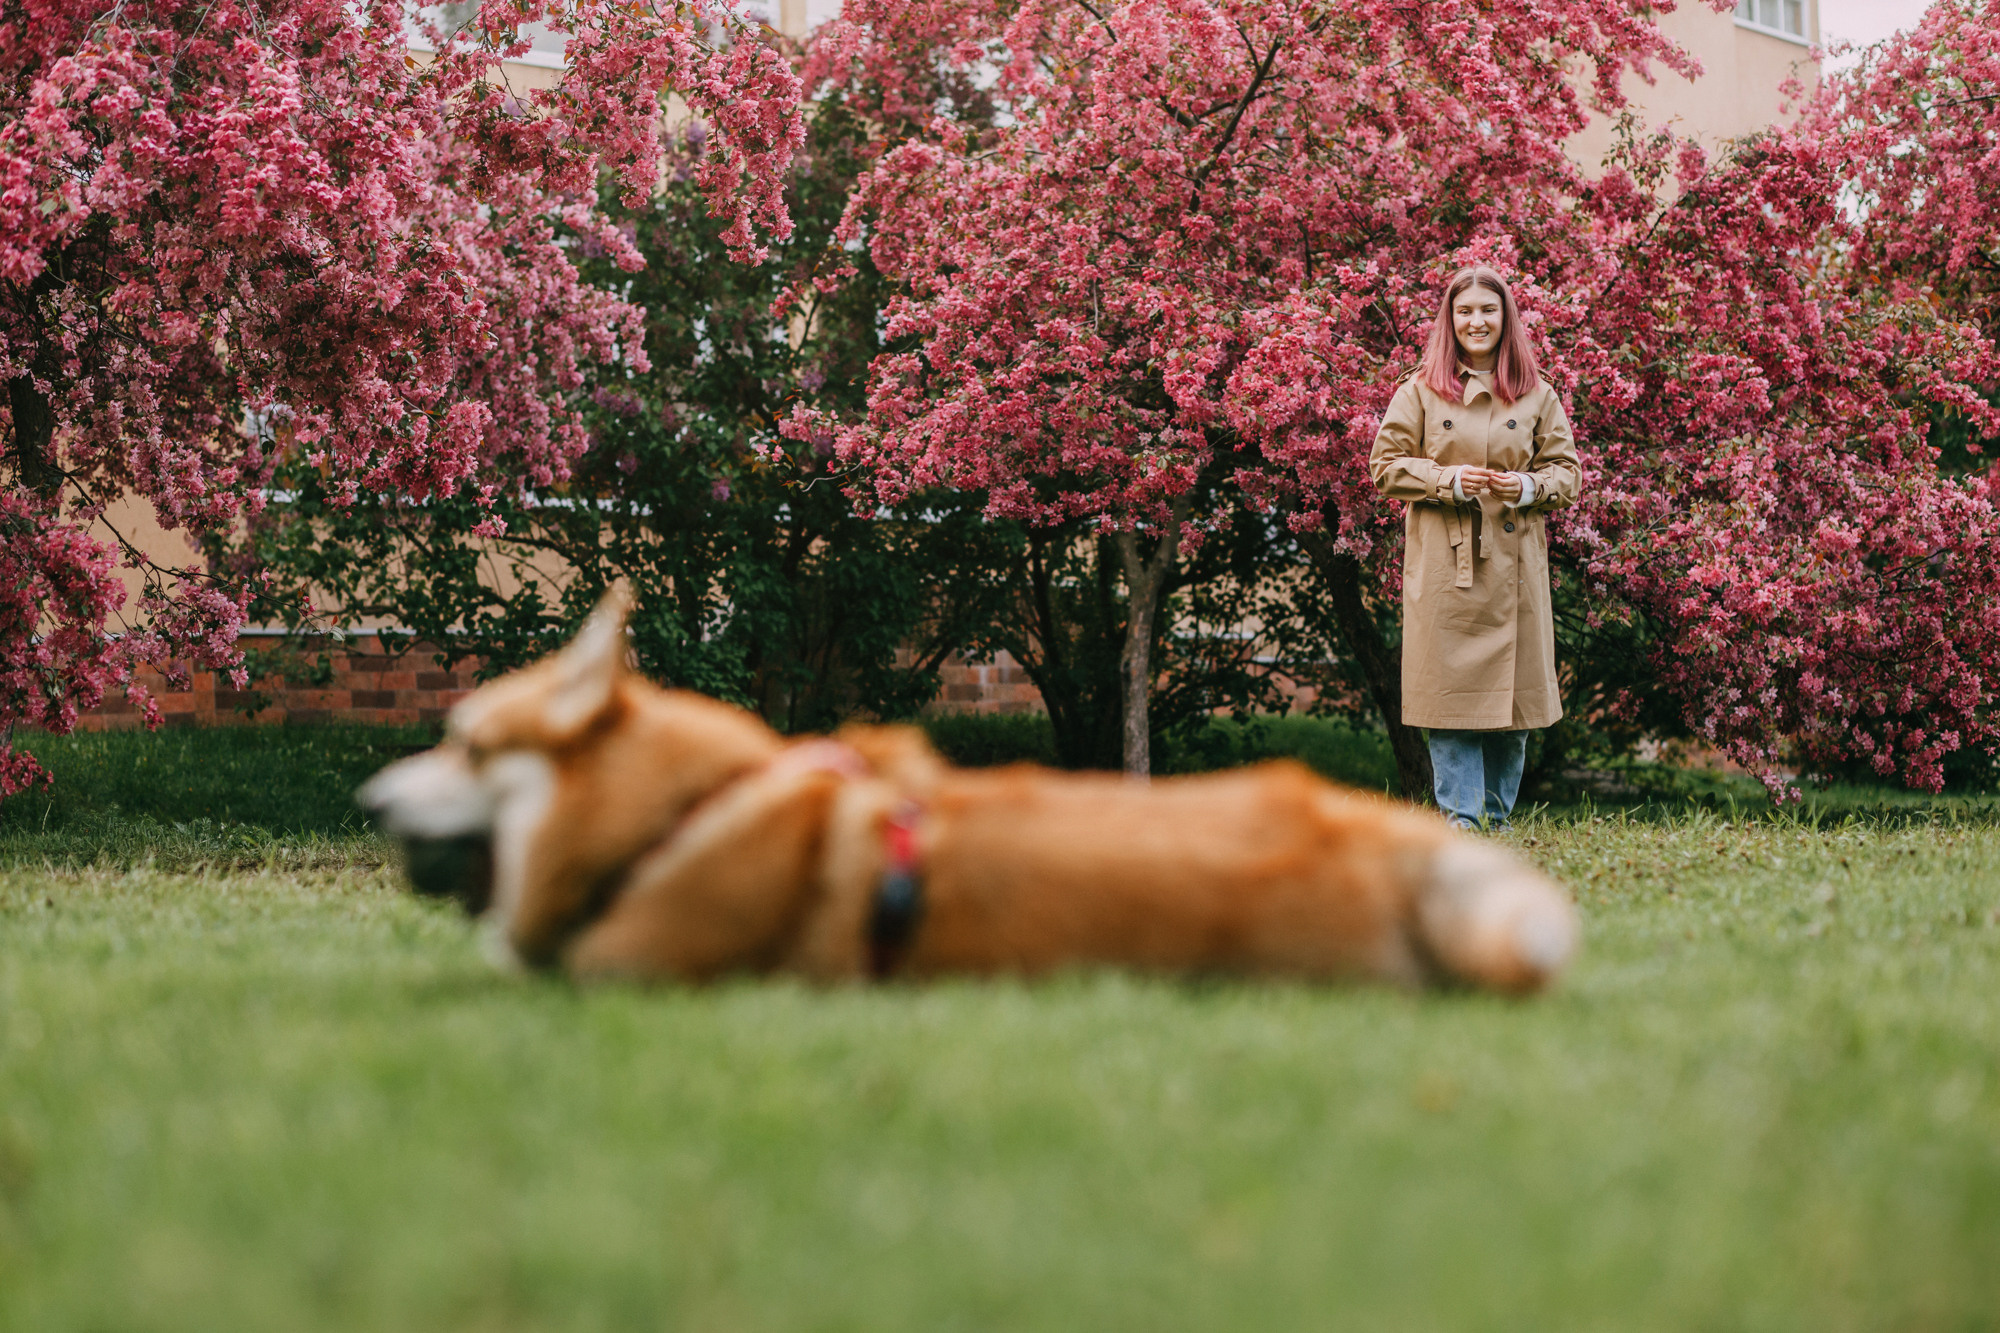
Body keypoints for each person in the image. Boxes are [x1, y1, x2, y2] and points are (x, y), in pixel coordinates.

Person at [1368, 267, 1580, 829]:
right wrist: (1450, 481)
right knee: (1452, 703)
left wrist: (1530, 486)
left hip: (1515, 571)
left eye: (1488, 310)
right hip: (1447, 567)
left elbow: (1567, 472)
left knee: (1517, 709)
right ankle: (1461, 824)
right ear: (1450, 320)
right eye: (1465, 311)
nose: (1477, 321)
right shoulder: (1418, 390)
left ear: (1505, 318)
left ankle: (1496, 818)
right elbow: (1384, 467)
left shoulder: (1538, 394)